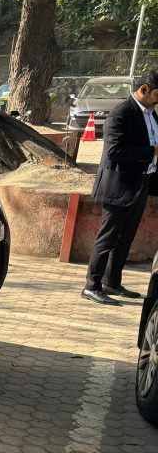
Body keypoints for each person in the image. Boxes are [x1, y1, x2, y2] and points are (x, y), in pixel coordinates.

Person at [83, 70, 158, 305]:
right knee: (107, 238)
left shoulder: (152, 115)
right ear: (144, 90)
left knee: (126, 238)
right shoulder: (121, 113)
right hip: (118, 186)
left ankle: (112, 282)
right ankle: (91, 286)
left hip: (140, 184)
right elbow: (114, 152)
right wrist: (151, 152)